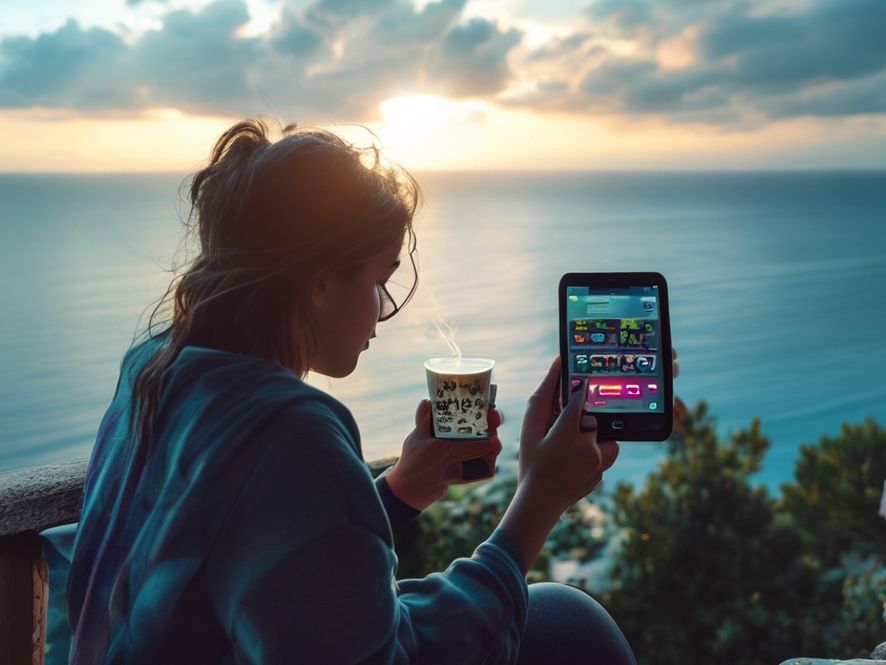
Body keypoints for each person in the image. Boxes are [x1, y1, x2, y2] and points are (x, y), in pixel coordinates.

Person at [65, 118, 646, 664]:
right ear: (319, 284)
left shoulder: (153, 370)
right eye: (378, 281)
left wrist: (397, 493)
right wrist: (538, 502)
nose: (383, 310)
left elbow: (266, 580)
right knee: (569, 621)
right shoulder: (290, 428)